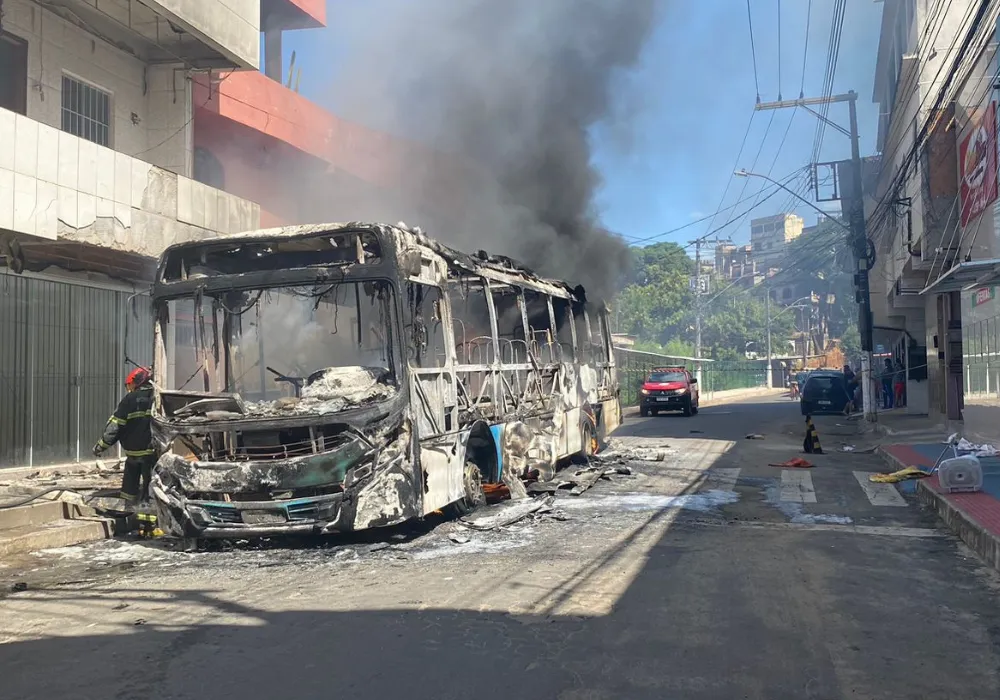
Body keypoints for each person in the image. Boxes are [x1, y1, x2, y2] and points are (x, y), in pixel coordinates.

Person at [93, 367, 156, 503]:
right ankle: (148, 515)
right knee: (151, 488)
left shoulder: (129, 400)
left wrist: (100, 447)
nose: (130, 388)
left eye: (130, 385)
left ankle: (127, 512)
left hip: (133, 454)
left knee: (129, 488)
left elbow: (114, 427)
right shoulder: (157, 398)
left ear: (137, 381)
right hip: (151, 454)